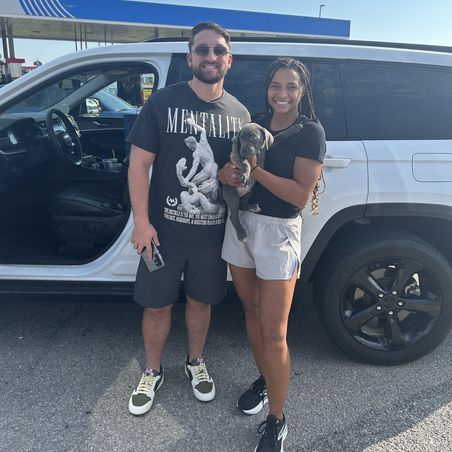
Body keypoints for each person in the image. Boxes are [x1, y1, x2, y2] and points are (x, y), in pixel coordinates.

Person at [126, 21, 250, 416]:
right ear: (190, 57)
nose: (210, 57)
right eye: (202, 50)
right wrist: (141, 222)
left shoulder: (239, 113)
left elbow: (240, 175)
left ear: (229, 59)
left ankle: (195, 362)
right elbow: (138, 164)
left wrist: (234, 177)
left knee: (201, 302)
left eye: (218, 50)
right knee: (156, 306)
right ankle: (152, 370)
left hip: (212, 236)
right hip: (162, 234)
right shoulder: (163, 103)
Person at [220, 57, 326, 451]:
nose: (282, 93)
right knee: (250, 313)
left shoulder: (310, 132)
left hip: (279, 232)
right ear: (267, 89)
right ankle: (266, 381)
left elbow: (299, 195)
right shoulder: (256, 123)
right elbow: (234, 168)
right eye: (275, 85)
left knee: (274, 332)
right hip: (242, 225)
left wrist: (254, 169)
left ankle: (277, 419)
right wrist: (228, 173)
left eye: (291, 86)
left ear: (302, 91)